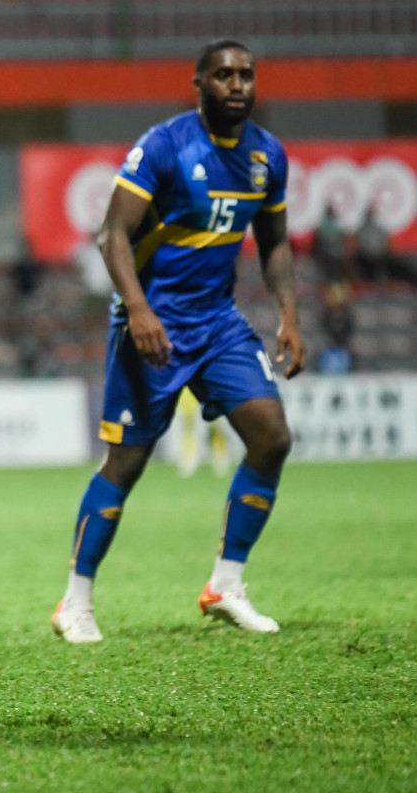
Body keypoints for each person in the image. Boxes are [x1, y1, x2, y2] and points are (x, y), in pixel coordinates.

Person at [52, 39, 306, 644]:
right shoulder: (164, 146)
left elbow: (273, 243)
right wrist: (136, 308)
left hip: (216, 322)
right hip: (152, 325)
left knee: (271, 439)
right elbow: (112, 233)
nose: (237, 85)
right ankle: (75, 602)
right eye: (223, 75)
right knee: (127, 463)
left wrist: (289, 313)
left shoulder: (268, 157)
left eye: (246, 74)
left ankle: (226, 584)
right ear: (199, 84)